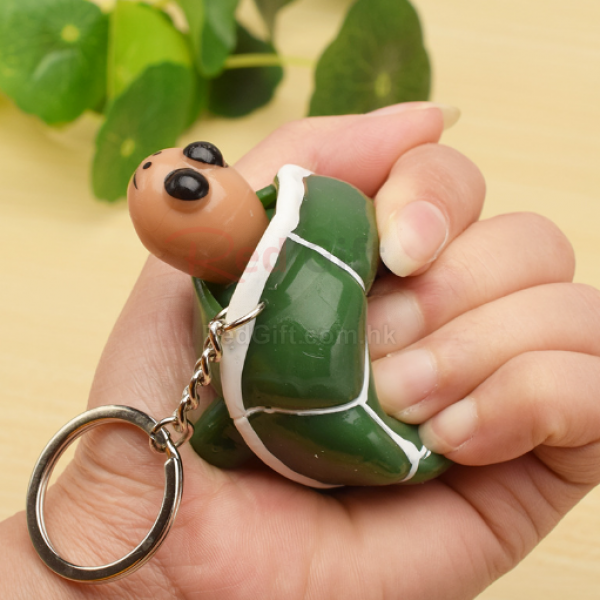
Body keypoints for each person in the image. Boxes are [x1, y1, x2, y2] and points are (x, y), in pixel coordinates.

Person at [2, 103, 599, 599]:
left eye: (202, 159)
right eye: (188, 187)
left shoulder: (318, 208)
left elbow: (225, 431)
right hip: (315, 437)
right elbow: (225, 432)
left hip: (364, 443)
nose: (191, 167)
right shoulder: (229, 331)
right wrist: (124, 542)